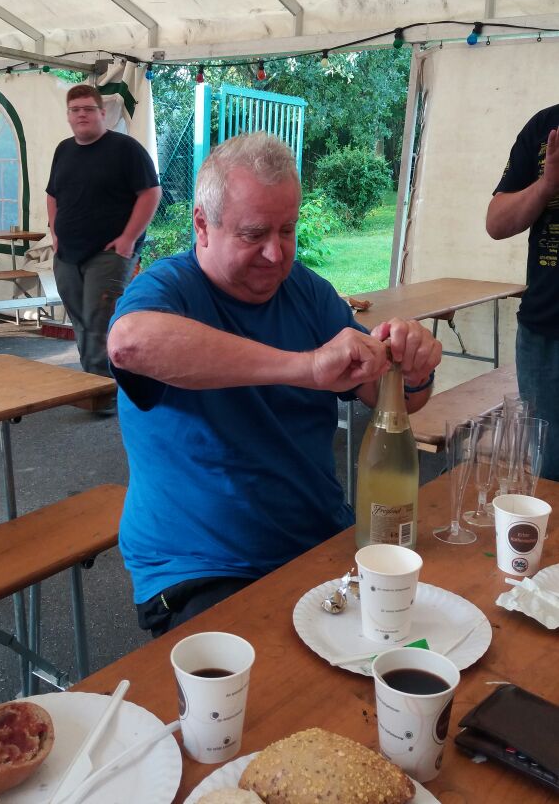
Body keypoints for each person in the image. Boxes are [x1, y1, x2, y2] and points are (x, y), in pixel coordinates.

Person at [107, 132, 441, 635]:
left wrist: (412, 370)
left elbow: (393, 398)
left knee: (424, 641)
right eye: (253, 234)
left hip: (321, 541)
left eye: (287, 230)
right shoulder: (169, 287)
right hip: (204, 568)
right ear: (202, 225)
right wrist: (304, 367)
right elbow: (129, 344)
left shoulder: (308, 293)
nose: (275, 253)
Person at [46, 84, 161, 396]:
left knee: (100, 322)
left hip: (110, 253)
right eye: (75, 110)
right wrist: (55, 233)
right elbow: (52, 195)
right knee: (81, 321)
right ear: (68, 116)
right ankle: (94, 385)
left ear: (101, 113)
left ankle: (107, 393)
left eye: (88, 109)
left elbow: (151, 193)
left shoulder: (125, 149)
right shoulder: (63, 150)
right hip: (67, 255)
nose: (81, 115)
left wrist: (128, 239)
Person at [487, 106, 559, 480]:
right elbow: (496, 223)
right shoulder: (543, 128)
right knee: (549, 473)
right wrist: (546, 186)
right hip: (543, 335)